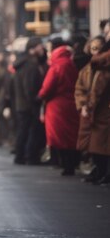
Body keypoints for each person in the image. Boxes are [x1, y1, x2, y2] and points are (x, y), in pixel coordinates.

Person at [38, 43, 80, 175]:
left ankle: (66, 164)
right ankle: (73, 163)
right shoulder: (72, 65)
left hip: (56, 106)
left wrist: (40, 96)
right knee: (72, 135)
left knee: (59, 136)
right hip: (72, 104)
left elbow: (47, 87)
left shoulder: (56, 66)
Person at [75, 35, 110, 184]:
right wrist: (84, 104)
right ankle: (99, 170)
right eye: (93, 48)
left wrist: (88, 105)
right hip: (92, 111)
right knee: (93, 145)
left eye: (98, 48)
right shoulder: (87, 69)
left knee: (101, 145)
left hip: (101, 111)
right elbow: (80, 88)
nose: (95, 52)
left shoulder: (103, 68)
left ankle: (103, 172)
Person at [13, 36, 47, 165]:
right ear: (32, 49)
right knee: (30, 130)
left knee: (24, 130)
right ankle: (29, 156)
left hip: (22, 103)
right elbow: (29, 87)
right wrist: (34, 101)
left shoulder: (23, 63)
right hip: (28, 104)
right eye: (39, 46)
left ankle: (21, 155)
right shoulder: (30, 65)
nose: (42, 48)